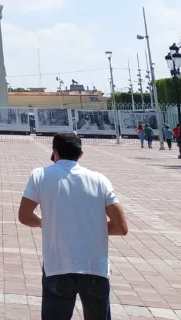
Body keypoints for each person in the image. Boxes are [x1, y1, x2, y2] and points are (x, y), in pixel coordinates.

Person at [18, 132, 129, 320]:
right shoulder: (99, 180)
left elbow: (24, 216)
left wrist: (46, 224)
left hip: (58, 266)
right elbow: (121, 227)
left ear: (54, 152)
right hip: (94, 267)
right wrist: (93, 230)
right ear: (81, 154)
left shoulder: (40, 176)